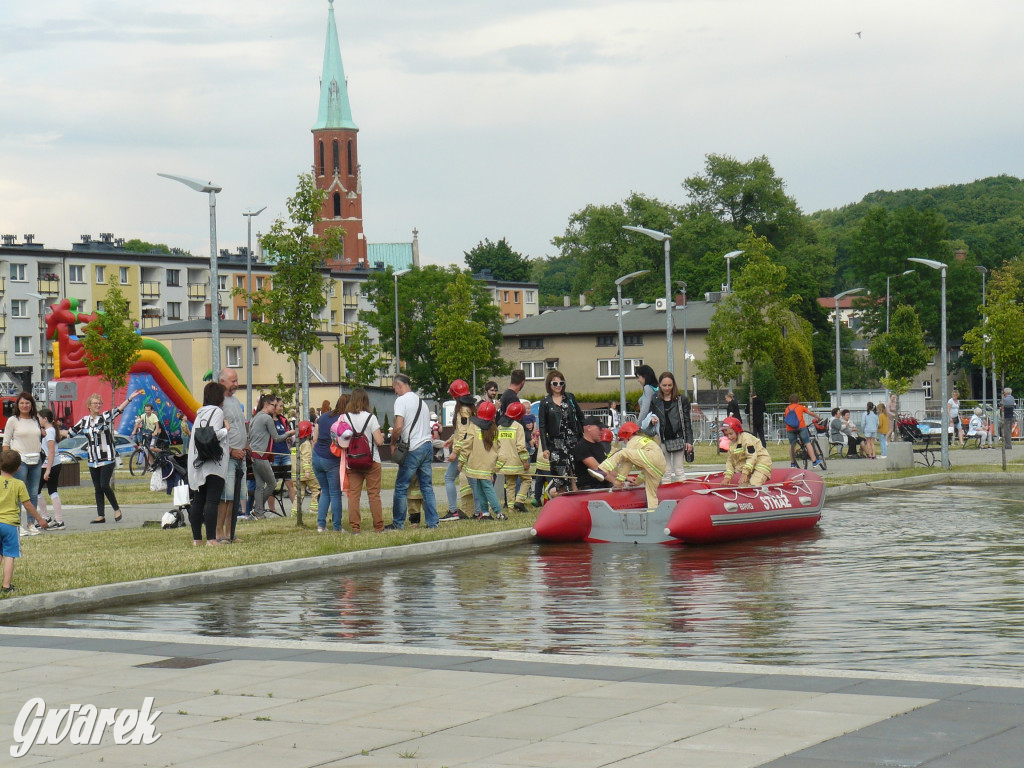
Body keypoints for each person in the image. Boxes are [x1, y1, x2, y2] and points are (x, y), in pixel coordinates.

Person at [68, 389, 143, 524]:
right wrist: (52, 431)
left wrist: (130, 399)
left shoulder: (105, 417)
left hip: (107, 457)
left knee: (104, 485)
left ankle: (116, 509)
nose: (97, 405)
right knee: (97, 487)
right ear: (89, 406)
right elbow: (70, 433)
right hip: (92, 460)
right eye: (95, 403)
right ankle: (100, 515)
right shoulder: (84, 421)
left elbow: (118, 410)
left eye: (99, 403)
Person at [387, 374, 438, 529]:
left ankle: (398, 523)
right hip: (427, 446)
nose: (394, 392)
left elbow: (398, 427)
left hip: (413, 448)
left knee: (401, 486)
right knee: (426, 487)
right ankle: (432, 523)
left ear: (399, 385)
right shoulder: (421, 401)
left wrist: (392, 443)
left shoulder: (401, 401)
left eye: (394, 388)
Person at [0, 449, 49, 595]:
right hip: (10, 525)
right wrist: (40, 519)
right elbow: (28, 505)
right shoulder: (19, 484)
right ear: (18, 468)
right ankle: (6, 586)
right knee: (9, 554)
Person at [187, 382, 230, 546]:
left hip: (198, 461)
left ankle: (197, 538)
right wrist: (226, 429)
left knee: (198, 501)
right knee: (212, 501)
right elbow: (213, 434)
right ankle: (211, 539)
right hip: (213, 462)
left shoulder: (200, 414)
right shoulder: (218, 411)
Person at [536, 369, 585, 496]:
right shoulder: (545, 403)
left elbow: (580, 417)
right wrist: (545, 448)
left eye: (561, 383)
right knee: (560, 475)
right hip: (556, 443)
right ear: (549, 385)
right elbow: (542, 427)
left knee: (575, 471)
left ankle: (577, 496)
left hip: (573, 440)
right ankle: (563, 499)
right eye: (555, 383)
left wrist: (584, 434)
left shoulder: (570, 398)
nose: (558, 386)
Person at [596, 421, 666, 509]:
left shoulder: (633, 441)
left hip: (652, 457)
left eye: (624, 440)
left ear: (628, 436)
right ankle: (652, 514)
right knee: (651, 494)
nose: (624, 442)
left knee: (623, 453)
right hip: (660, 465)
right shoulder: (643, 440)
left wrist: (618, 482)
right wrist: (637, 482)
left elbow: (627, 463)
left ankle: (602, 469)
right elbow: (646, 470)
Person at [344, 388, 385, 533]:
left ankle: (355, 527)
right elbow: (379, 441)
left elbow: (339, 439)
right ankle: (379, 527)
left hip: (353, 461)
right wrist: (382, 436)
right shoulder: (371, 418)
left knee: (354, 494)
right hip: (371, 460)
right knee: (373, 494)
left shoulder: (344, 418)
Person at [2, 392, 44, 534]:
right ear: (17, 405)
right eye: (22, 403)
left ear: (31, 405)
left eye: (27, 403)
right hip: (20, 460)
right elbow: (6, 442)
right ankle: (17, 524)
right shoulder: (13, 420)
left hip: (36, 459)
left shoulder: (35, 419)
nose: (25, 406)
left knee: (33, 493)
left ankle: (31, 523)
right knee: (19, 493)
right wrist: (7, 461)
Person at [455, 400, 504, 520]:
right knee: (484, 487)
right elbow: (499, 448)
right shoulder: (494, 429)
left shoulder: (473, 427)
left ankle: (498, 512)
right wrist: (496, 466)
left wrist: (461, 461)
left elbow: (466, 445)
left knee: (482, 488)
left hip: (474, 464)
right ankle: (486, 513)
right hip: (488, 465)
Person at [643, 371, 694, 483]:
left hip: (678, 438)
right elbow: (650, 415)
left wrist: (689, 441)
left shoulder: (682, 400)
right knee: (665, 471)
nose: (667, 388)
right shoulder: (655, 399)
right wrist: (652, 420)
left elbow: (686, 421)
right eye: (664, 385)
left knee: (679, 469)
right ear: (659, 385)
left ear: (674, 385)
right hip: (662, 439)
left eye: (669, 385)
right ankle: (667, 495)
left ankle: (681, 494)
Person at [217, 368, 247, 541]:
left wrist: (246, 446)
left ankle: (230, 533)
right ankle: (219, 532)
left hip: (240, 456)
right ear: (222, 382)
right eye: (233, 381)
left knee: (236, 498)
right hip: (227, 457)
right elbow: (215, 433)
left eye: (237, 380)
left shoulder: (235, 401)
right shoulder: (217, 403)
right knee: (225, 497)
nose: (236, 384)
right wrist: (231, 451)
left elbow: (240, 426)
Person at [312, 395, 346, 532]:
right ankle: (337, 527)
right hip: (332, 459)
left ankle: (321, 525)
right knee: (335, 493)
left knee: (324, 491)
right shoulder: (343, 419)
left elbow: (315, 438)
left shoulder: (323, 416)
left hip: (317, 455)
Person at [443, 380, 476, 520]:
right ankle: (480, 511)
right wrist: (451, 438)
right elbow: (465, 430)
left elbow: (462, 434)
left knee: (448, 477)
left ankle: (453, 511)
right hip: (471, 448)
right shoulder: (470, 408)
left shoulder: (462, 410)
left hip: (462, 450)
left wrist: (455, 452)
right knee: (474, 481)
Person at [248, 394, 279, 522]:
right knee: (272, 483)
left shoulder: (255, 417)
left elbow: (249, 437)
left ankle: (258, 513)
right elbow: (277, 438)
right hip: (260, 456)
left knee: (260, 486)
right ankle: (258, 510)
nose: (276, 408)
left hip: (254, 456)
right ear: (266, 404)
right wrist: (290, 433)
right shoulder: (267, 418)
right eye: (274, 405)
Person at [495, 400, 530, 512]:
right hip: (517, 462)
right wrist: (525, 461)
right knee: (527, 479)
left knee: (510, 485)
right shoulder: (518, 427)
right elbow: (521, 446)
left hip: (504, 463)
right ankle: (519, 501)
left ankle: (510, 508)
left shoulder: (500, 427)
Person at [34, 408, 65, 531]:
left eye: (39, 418)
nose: (39, 420)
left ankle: (58, 520)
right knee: (38, 490)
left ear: (45, 419)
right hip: (50, 464)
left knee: (51, 491)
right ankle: (48, 517)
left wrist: (47, 470)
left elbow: (51, 451)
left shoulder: (50, 431)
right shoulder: (49, 431)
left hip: (51, 465)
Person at [720, 416, 772, 486]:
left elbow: (752, 456)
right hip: (750, 467)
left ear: (737, 430)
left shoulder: (746, 438)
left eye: (731, 434)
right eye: (727, 435)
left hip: (761, 464)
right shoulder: (732, 443)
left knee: (754, 484)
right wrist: (727, 477)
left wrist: (745, 473)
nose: (729, 437)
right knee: (742, 487)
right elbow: (730, 461)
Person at [268, 397, 296, 514]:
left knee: (289, 481)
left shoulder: (282, 420)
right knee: (272, 483)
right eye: (280, 406)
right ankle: (272, 509)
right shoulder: (268, 420)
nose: (281, 408)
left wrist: (288, 436)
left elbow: (284, 435)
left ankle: (295, 508)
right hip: (274, 453)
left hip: (284, 453)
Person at [572, 415, 611, 491]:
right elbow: (597, 469)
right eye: (599, 428)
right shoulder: (581, 447)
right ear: (589, 428)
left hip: (603, 486)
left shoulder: (599, 445)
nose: (602, 431)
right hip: (590, 488)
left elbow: (608, 467)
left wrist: (623, 478)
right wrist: (615, 482)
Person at [783, 394, 822, 468]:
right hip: (800, 427)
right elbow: (811, 413)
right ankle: (814, 461)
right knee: (807, 443)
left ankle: (792, 463)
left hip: (790, 429)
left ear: (790, 402)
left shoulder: (787, 409)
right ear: (798, 401)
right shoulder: (800, 407)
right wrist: (818, 417)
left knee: (792, 445)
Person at [294, 420, 320, 515]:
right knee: (316, 489)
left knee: (299, 493)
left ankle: (295, 512)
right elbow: (306, 457)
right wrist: (307, 471)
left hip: (296, 473)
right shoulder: (306, 444)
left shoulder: (295, 444)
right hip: (306, 472)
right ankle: (314, 510)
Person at [131, 402, 162, 468]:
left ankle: (162, 452)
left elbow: (157, 425)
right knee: (148, 449)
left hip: (153, 433)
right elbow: (137, 423)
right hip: (147, 432)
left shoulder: (154, 416)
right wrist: (134, 431)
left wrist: (155, 432)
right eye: (146, 410)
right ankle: (152, 464)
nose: (147, 411)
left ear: (151, 410)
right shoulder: (143, 415)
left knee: (151, 448)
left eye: (148, 410)